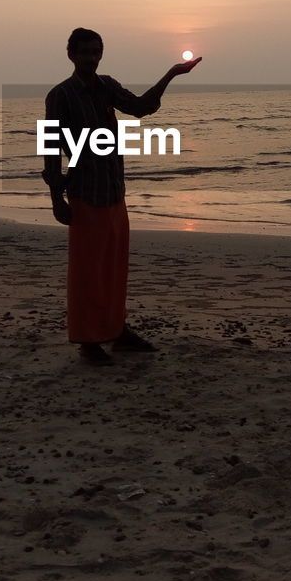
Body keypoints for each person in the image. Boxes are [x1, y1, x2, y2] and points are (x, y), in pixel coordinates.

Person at [42, 27, 202, 365]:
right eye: (84, 52)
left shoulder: (107, 86)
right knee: (88, 271)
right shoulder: (61, 95)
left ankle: (116, 329)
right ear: (71, 55)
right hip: (85, 192)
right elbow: (51, 146)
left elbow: (142, 107)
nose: (91, 58)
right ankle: (88, 341)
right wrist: (57, 198)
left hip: (114, 188)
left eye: (96, 52)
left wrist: (171, 74)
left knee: (115, 268)